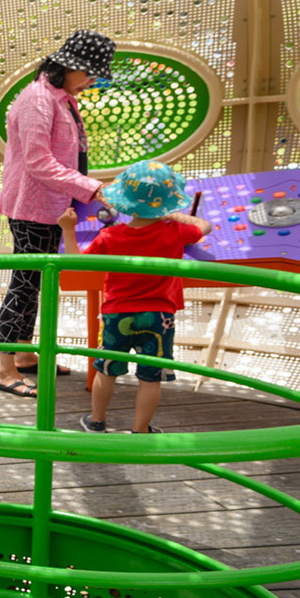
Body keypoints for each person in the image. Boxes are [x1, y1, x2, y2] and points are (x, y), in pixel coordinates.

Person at [0, 30, 114, 398]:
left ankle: (25, 354)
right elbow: (38, 161)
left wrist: (87, 186)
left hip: (53, 206)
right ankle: (3, 366)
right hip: (33, 205)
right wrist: (91, 188)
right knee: (24, 284)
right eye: (89, 73)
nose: (91, 82)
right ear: (67, 65)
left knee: (36, 282)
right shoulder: (38, 99)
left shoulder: (61, 98)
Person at [62, 161, 209, 434]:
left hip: (117, 315)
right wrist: (177, 217)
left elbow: (76, 263)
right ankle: (140, 430)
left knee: (106, 370)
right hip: (159, 317)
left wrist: (68, 228)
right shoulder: (176, 232)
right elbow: (205, 226)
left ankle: (96, 420)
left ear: (124, 202)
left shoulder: (110, 236)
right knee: (150, 378)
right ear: (168, 204)